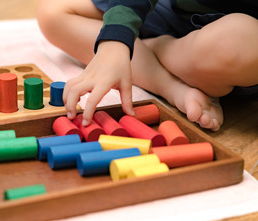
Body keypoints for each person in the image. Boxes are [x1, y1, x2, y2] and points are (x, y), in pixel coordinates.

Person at [37, 0, 258, 131]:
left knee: (239, 43)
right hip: (174, 12)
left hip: (238, 38)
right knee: (53, 11)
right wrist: (115, 41)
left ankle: (157, 47)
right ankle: (169, 85)